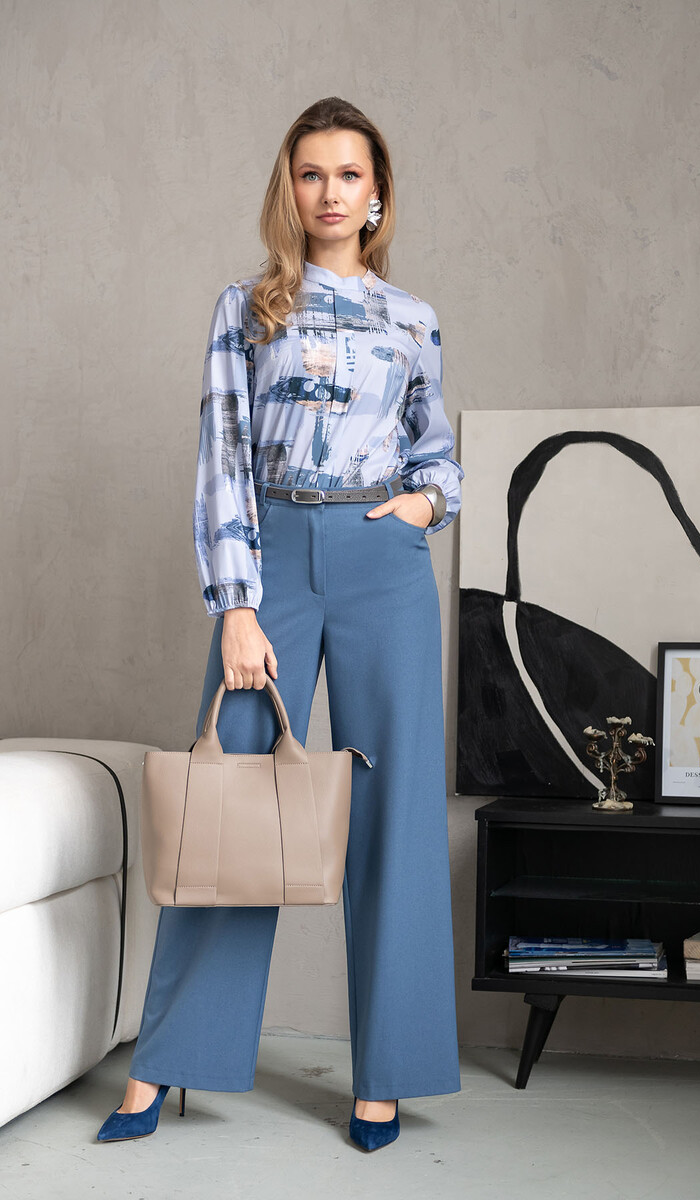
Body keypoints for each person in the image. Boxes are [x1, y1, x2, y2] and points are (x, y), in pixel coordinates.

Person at [97, 95, 464, 1152]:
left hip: (383, 561)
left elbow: (437, 455)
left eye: (349, 174)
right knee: (233, 802)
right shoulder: (246, 307)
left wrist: (424, 505)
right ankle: (166, 1063)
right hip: (274, 557)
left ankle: (386, 1076)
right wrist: (237, 603)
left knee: (396, 813)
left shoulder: (413, 319)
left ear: (376, 192)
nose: (330, 192)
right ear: (289, 189)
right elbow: (222, 455)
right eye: (311, 174)